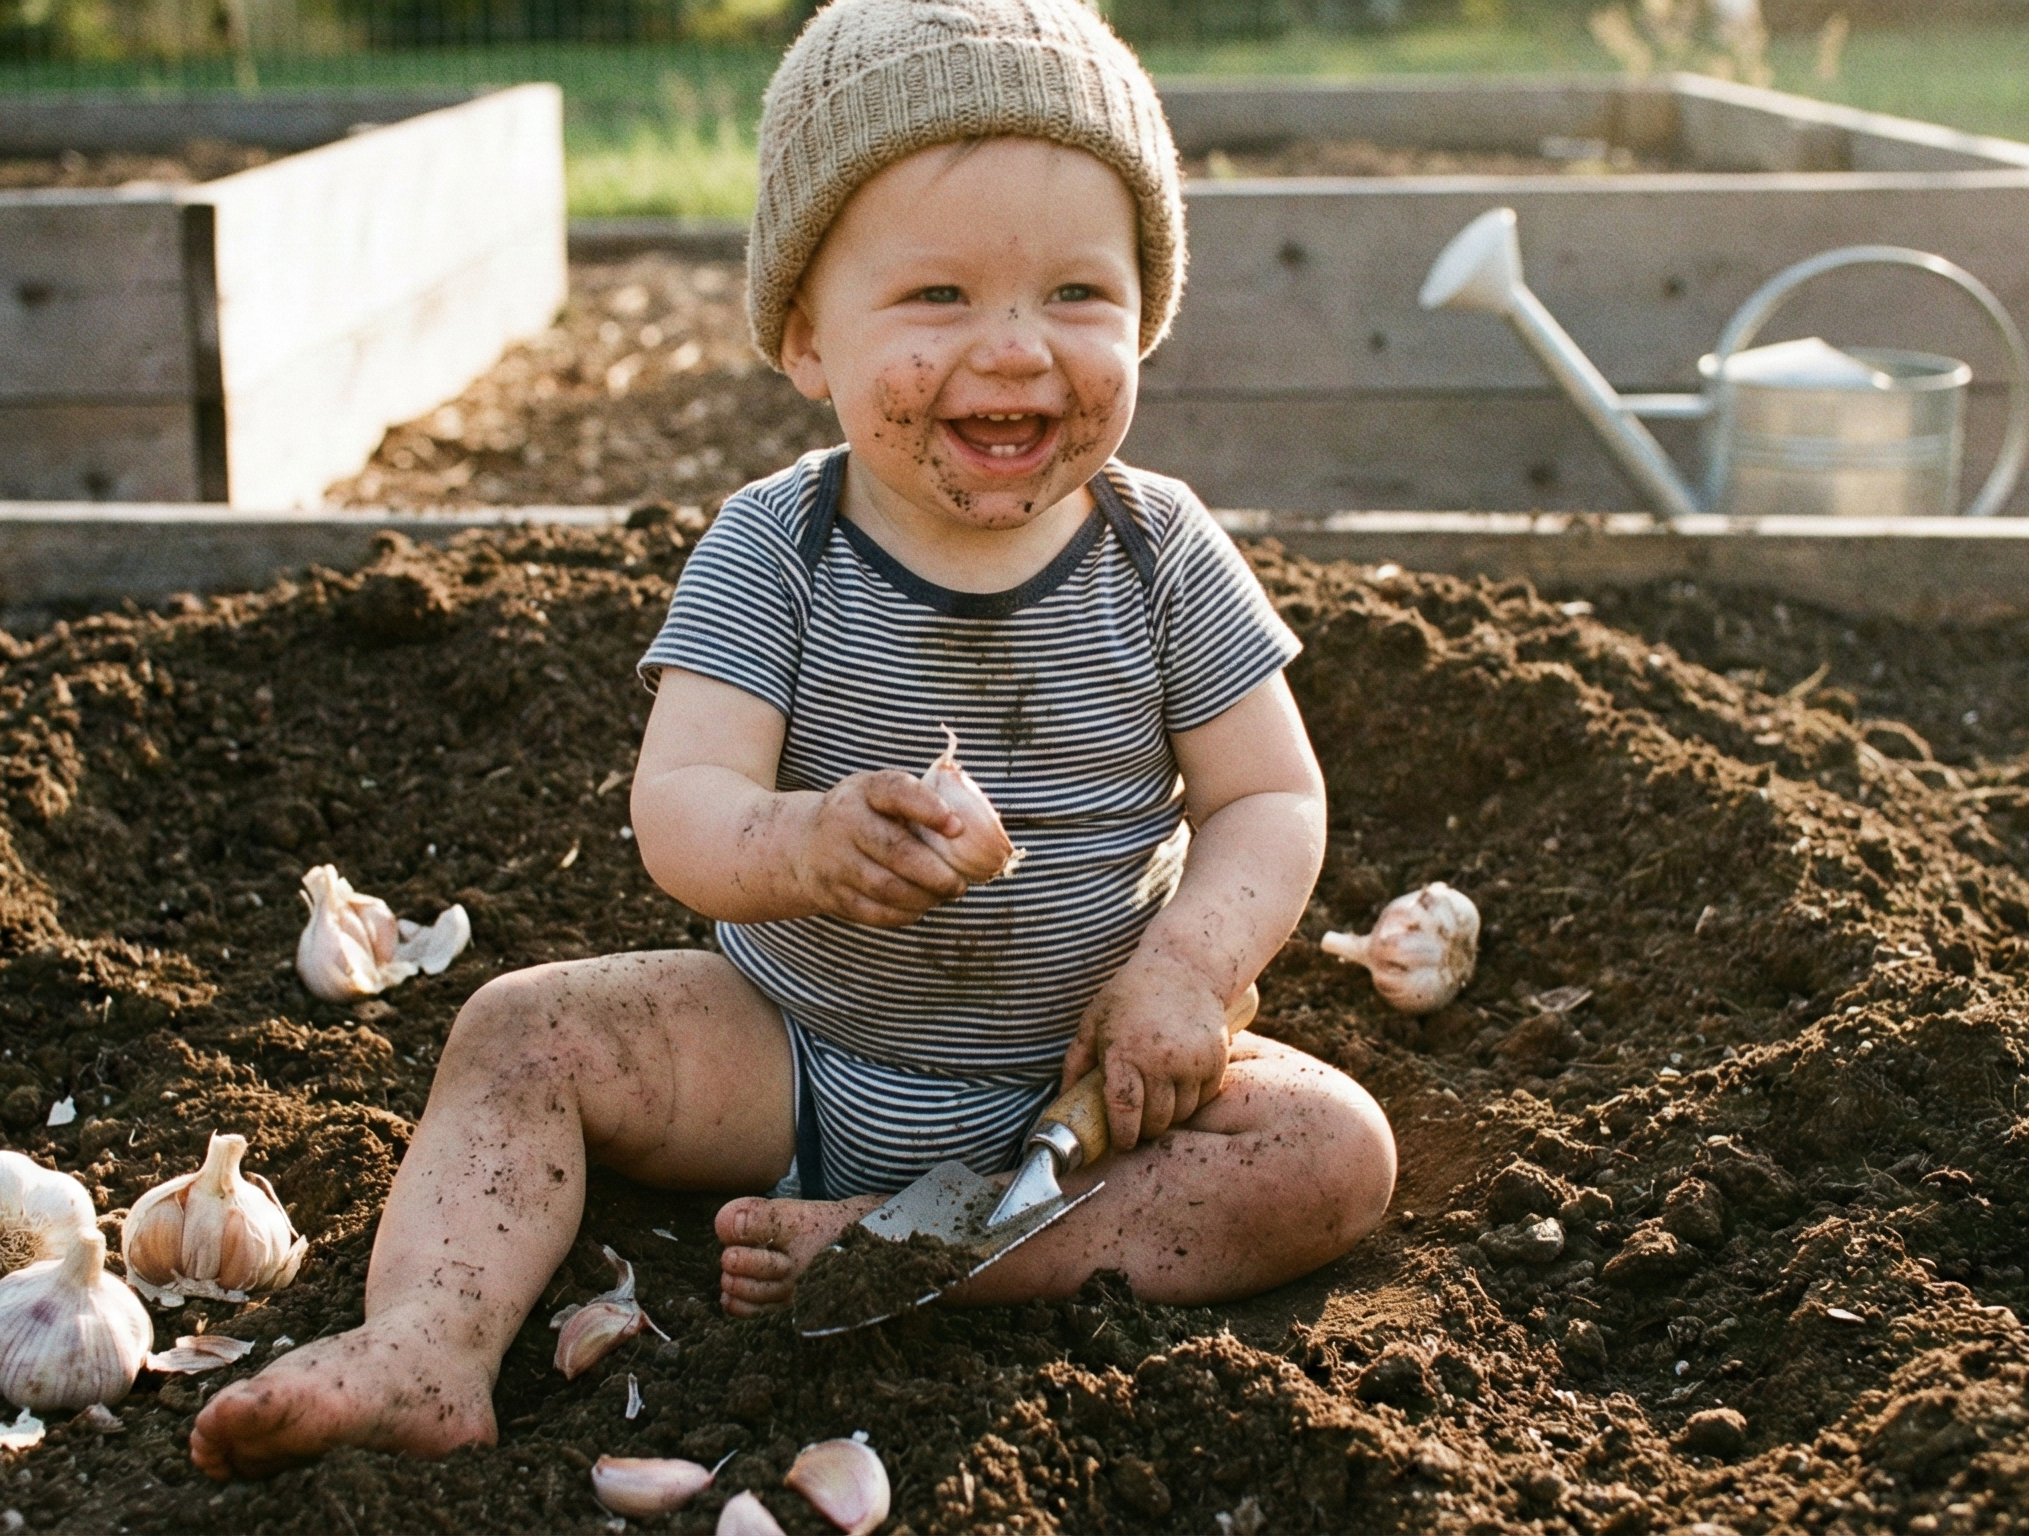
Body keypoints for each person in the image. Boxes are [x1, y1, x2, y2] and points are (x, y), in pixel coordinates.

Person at [189, 0, 1397, 1479]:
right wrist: (803, 843)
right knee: (519, 1031)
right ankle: (426, 1344)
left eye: (1080, 291)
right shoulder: (780, 546)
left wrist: (1192, 970)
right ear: (808, 335)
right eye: (940, 295)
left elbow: (1271, 794)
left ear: (1147, 308)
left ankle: (931, 1255)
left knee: (1333, 1153)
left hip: (1083, 1096)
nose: (1015, 350)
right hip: (796, 1053)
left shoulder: (1162, 554)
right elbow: (682, 805)